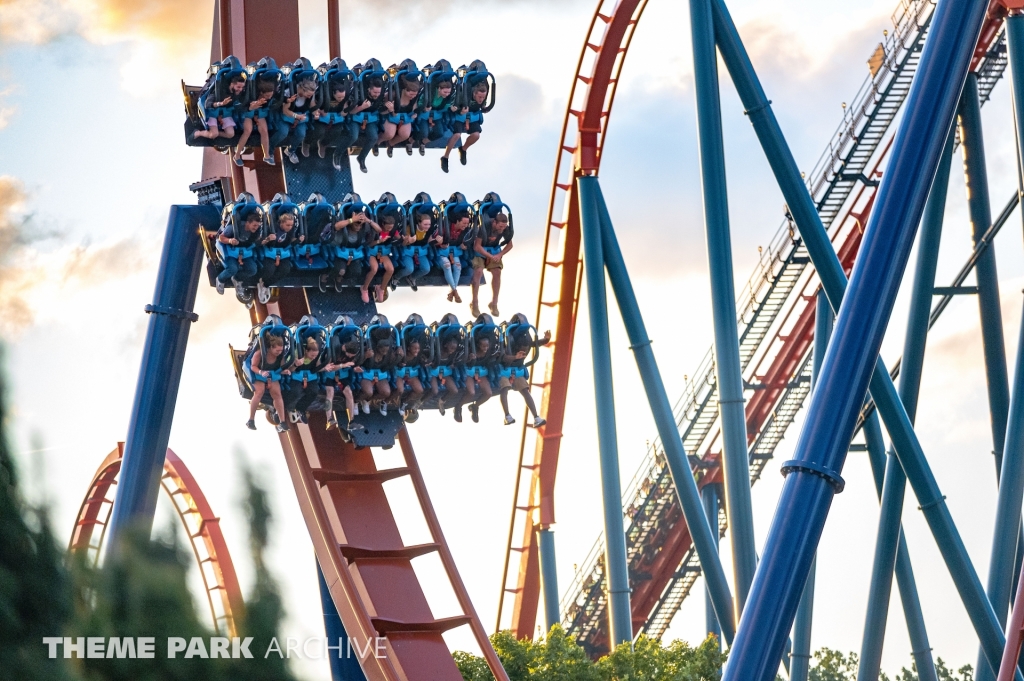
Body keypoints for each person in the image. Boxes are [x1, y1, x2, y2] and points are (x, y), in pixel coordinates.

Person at [498, 326, 551, 427]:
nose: (525, 352)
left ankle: (536, 417)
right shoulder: (508, 344)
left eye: (526, 350)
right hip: (504, 371)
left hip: (516, 371)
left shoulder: (526, 343)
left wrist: (546, 340)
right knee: (505, 388)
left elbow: (536, 344)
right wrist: (515, 357)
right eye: (522, 350)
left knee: (525, 390)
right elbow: (503, 357)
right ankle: (507, 416)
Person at [306, 80, 356, 171]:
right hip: (323, 116)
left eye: (342, 97)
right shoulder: (324, 94)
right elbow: (313, 103)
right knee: (319, 131)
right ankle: (307, 143)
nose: (341, 99)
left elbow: (344, 111)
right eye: (339, 97)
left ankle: (323, 144)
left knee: (337, 131)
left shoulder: (344, 98)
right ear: (333, 93)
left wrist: (344, 111)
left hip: (336, 117)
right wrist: (318, 112)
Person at [246, 333, 290, 432]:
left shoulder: (280, 356)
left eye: (281, 350)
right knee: (259, 392)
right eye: (277, 350)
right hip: (258, 373)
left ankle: (282, 421)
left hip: (272, 374)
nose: (279, 352)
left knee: (277, 395)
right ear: (270, 347)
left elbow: (280, 368)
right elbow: (253, 366)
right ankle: (251, 420)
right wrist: (261, 372)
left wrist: (285, 371)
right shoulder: (260, 353)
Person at [470, 212, 512, 317]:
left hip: (493, 252)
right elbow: (477, 246)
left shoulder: (504, 229)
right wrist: (488, 256)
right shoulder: (484, 227)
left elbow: (510, 245)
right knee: (479, 271)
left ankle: (494, 303)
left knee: (497, 272)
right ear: (494, 222)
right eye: (500, 226)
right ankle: (474, 303)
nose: (502, 229)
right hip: (481, 251)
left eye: (504, 226)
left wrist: (499, 254)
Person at [441, 81, 488, 173]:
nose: (481, 99)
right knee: (457, 135)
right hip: (459, 117)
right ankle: (445, 157)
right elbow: (452, 107)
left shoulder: (482, 101)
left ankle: (463, 149)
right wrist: (459, 110)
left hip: (471, 118)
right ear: (474, 94)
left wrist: (484, 108)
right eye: (479, 97)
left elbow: (481, 106)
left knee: (476, 135)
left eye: (483, 97)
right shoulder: (463, 96)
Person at [257, 211, 303, 302]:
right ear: (281, 223)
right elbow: (260, 242)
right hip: (270, 250)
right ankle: (261, 281)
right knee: (270, 269)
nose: (290, 227)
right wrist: (268, 239)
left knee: (286, 269)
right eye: (287, 225)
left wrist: (298, 240)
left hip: (282, 252)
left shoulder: (291, 230)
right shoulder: (271, 227)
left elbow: (291, 240)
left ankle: (265, 285)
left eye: (291, 225)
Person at [319, 210, 370, 292]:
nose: (358, 227)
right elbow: (336, 226)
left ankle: (339, 279)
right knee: (341, 270)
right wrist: (352, 220)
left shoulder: (362, 228)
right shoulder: (344, 226)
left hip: (354, 253)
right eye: (355, 224)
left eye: (359, 225)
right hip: (341, 252)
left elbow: (378, 229)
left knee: (357, 271)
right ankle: (324, 277)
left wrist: (368, 221)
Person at [216, 211, 262, 295]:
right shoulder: (234, 227)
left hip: (244, 253)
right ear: (248, 223)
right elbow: (221, 238)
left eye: (257, 226)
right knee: (233, 269)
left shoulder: (256, 232)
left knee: (253, 270)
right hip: (231, 251)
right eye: (254, 225)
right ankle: (220, 279)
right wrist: (230, 240)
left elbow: (256, 242)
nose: (256, 228)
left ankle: (237, 279)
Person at [234, 77, 276, 166]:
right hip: (248, 113)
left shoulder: (268, 100)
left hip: (259, 113)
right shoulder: (250, 95)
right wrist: (251, 107)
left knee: (264, 130)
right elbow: (242, 107)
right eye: (267, 96)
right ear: (261, 93)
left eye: (270, 95)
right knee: (248, 130)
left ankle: (267, 156)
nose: (269, 98)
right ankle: (237, 156)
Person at [278, 77, 319, 164]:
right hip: (287, 114)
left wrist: (316, 113)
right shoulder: (290, 91)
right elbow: (285, 110)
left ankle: (290, 150)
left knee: (301, 134)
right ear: (303, 90)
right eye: (308, 95)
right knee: (283, 132)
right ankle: (270, 150)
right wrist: (296, 116)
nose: (310, 97)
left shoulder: (310, 95)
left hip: (301, 116)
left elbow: (312, 104)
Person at [436, 211, 474, 304]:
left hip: (455, 253)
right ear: (457, 221)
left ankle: (452, 291)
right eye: (463, 223)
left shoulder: (466, 231)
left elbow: (468, 243)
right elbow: (434, 241)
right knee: (447, 266)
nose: (465, 225)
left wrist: (465, 246)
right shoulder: (445, 228)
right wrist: (439, 244)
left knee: (457, 267)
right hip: (442, 253)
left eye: (467, 223)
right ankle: (455, 291)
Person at [195, 73, 245, 141]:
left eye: (242, 87)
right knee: (213, 134)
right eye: (238, 87)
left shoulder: (237, 94)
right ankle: (198, 133)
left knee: (230, 134)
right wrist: (221, 103)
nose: (240, 89)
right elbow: (208, 104)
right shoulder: (219, 91)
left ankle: (217, 134)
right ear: (232, 84)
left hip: (225, 113)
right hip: (213, 113)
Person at [379, 75, 420, 157]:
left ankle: (391, 144)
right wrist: (390, 110)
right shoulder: (394, 94)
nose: (412, 96)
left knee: (405, 134)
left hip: (405, 117)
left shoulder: (414, 98)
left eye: (414, 95)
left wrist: (415, 114)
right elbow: (381, 111)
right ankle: (377, 142)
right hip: (391, 116)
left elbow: (414, 108)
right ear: (405, 90)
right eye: (411, 94)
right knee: (389, 134)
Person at [351, 77, 385, 174]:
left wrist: (389, 109)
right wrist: (362, 107)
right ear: (369, 89)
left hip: (371, 119)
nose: (377, 95)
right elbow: (350, 111)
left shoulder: (380, 97)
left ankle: (361, 158)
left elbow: (381, 110)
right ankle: (337, 155)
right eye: (375, 93)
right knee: (353, 136)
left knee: (374, 137)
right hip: (356, 117)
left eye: (379, 93)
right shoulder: (358, 94)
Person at [359, 333, 397, 416]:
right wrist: (366, 356)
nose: (384, 353)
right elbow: (358, 362)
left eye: (386, 351)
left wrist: (397, 357)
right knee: (369, 392)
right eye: (383, 351)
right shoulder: (369, 351)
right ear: (377, 348)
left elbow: (390, 365)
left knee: (386, 392)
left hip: (380, 374)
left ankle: (367, 401)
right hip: (367, 373)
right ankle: (356, 401)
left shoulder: (388, 355)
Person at [413, 80, 455, 155]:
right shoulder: (429, 93)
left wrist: (451, 109)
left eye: (448, 92)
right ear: (439, 89)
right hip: (424, 115)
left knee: (439, 133)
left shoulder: (447, 98)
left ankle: (423, 143)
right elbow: (419, 103)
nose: (447, 94)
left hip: (437, 116)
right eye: (445, 92)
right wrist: (424, 108)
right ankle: (410, 141)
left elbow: (446, 107)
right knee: (424, 132)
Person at [362, 214, 396, 304]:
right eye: (387, 227)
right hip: (372, 252)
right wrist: (379, 241)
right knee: (374, 269)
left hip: (383, 253)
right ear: (383, 224)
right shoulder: (376, 230)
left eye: (391, 228)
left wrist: (406, 240)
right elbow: (368, 244)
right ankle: (364, 288)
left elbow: (399, 240)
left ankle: (381, 289)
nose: (389, 230)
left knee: (391, 269)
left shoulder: (392, 232)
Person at [395, 212, 434, 290]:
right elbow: (403, 244)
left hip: (421, 252)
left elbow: (429, 241)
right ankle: (395, 278)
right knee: (409, 269)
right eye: (425, 224)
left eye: (429, 224)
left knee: (426, 269)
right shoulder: (410, 229)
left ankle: (411, 278)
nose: (428, 226)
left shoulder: (429, 230)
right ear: (419, 223)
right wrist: (408, 241)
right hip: (408, 251)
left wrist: (432, 242)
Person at [427, 331, 462, 417]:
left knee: (454, 390)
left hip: (444, 372)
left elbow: (454, 362)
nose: (452, 351)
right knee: (434, 390)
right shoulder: (437, 351)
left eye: (454, 349)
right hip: (434, 371)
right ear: (445, 345)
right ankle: (419, 402)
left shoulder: (452, 355)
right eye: (451, 348)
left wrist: (453, 365)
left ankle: (441, 401)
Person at [463, 334, 494, 423]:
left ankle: (475, 406)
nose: (485, 348)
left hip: (481, 373)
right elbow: (464, 361)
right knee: (471, 392)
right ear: (478, 345)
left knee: (488, 393)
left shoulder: (488, 352)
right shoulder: (472, 352)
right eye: (483, 346)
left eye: (487, 346)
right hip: (469, 372)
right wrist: (469, 359)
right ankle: (458, 407)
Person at [392, 337, 426, 417]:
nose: (417, 350)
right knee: (400, 390)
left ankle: (404, 402)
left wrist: (425, 363)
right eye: (414, 348)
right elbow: (394, 363)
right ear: (408, 348)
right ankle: (386, 402)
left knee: (419, 390)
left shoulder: (417, 356)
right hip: (399, 374)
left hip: (411, 374)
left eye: (418, 348)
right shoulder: (402, 355)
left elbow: (421, 363)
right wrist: (399, 364)